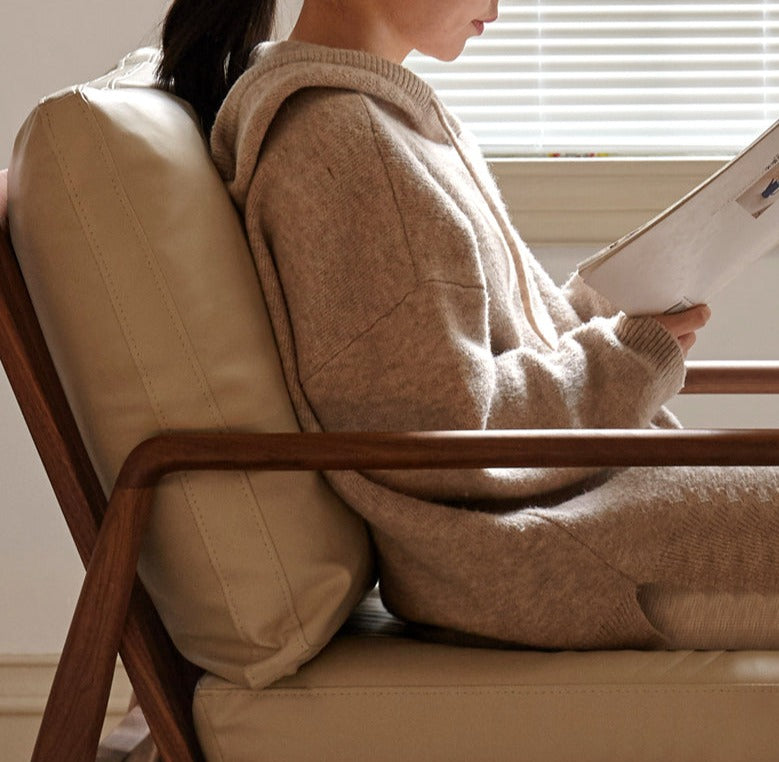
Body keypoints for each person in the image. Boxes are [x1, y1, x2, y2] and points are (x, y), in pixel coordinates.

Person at [157, 0, 778, 649]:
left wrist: (606, 315)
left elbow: (458, 354)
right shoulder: (344, 140)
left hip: (570, 514)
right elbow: (440, 430)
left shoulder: (379, 121)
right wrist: (623, 360)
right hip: (535, 555)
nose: (496, 7)